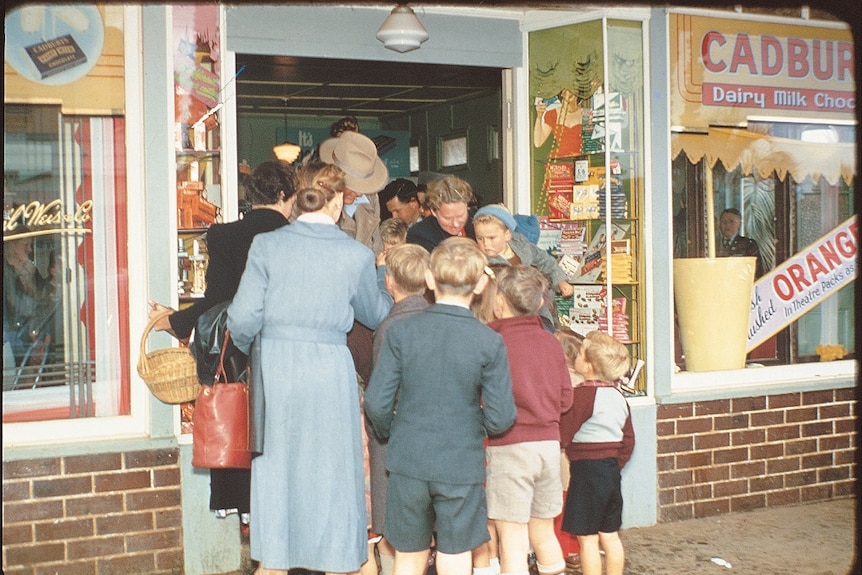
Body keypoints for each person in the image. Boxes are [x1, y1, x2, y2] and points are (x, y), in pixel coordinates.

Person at [226, 172, 393, 575]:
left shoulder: (266, 245)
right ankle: (337, 557)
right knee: (333, 470)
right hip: (329, 369)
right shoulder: (354, 254)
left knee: (278, 467)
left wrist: (255, 352)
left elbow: (242, 318)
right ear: (337, 204)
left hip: (277, 367)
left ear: (300, 200)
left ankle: (276, 560)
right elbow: (377, 314)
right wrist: (382, 277)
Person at [147, 160, 297, 530]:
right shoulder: (298, 238)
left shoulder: (224, 235)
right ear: (282, 195)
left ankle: (253, 527)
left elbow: (219, 302)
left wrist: (174, 320)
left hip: (237, 360)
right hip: (290, 355)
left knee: (242, 432)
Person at [365, 237, 517, 575]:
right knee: (456, 552)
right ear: (480, 284)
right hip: (461, 461)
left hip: (408, 457)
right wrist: (472, 426)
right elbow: (502, 416)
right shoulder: (489, 340)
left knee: (408, 554)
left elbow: (376, 402)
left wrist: (396, 429)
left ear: (430, 279)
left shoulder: (400, 332)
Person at [485, 264, 573, 575]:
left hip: (509, 446)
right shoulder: (551, 342)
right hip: (548, 445)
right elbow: (567, 399)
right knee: (544, 533)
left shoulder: (493, 343)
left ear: (499, 301)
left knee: (512, 538)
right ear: (539, 303)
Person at [366, 243, 432, 575]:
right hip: (435, 438)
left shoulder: (389, 328)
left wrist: (379, 429)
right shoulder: (439, 320)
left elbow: (381, 397)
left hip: (398, 440)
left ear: (389, 281)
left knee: (403, 534)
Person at [559, 331, 635, 575]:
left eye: (580, 354)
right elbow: (629, 439)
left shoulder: (581, 395)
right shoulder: (618, 396)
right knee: (610, 536)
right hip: (611, 471)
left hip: (586, 473)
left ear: (589, 365)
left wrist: (567, 450)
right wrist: (613, 463)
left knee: (587, 540)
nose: (577, 357)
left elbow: (564, 432)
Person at [472, 204, 573, 331]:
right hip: (506, 319)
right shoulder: (481, 262)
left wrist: (560, 280)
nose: (486, 244)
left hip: (539, 311)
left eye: (492, 238)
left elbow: (544, 259)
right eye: (480, 238)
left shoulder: (520, 244)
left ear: (507, 235)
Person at [319, 129, 389, 255]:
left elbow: (376, 245)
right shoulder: (312, 203)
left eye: (364, 187)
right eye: (353, 186)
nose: (360, 194)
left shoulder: (370, 199)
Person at [552, 327, 585, 570]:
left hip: (563, 450)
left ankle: (566, 548)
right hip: (579, 452)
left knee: (561, 501)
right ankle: (574, 548)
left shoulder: (564, 383)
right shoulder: (584, 383)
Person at [406, 175, 476, 252]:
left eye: (460, 216)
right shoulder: (420, 235)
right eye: (447, 218)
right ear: (433, 211)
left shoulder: (478, 221)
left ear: (467, 206)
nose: (455, 224)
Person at [533, 88, 584, 159]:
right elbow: (538, 142)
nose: (569, 92)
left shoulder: (586, 113)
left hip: (582, 162)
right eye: (566, 89)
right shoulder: (552, 113)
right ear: (561, 93)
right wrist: (539, 117)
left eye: (573, 87)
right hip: (560, 164)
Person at [716, 207, 764, 278]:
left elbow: (757, 270)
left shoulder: (748, 244)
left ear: (739, 224)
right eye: (724, 222)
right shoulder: (714, 244)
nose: (727, 225)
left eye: (731, 222)